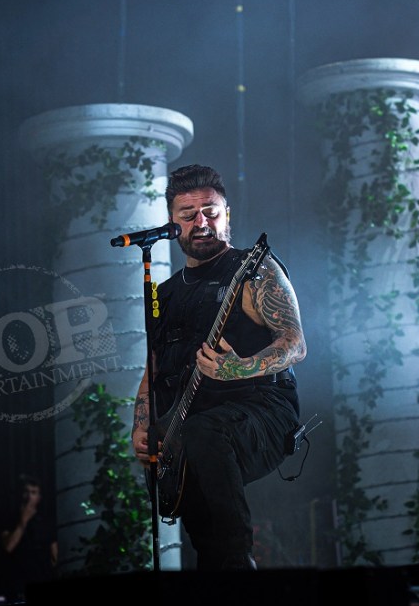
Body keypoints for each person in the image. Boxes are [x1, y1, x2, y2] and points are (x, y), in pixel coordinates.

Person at [131, 163, 307, 570]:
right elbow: (152, 369)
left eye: (210, 212)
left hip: (261, 412)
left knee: (203, 431)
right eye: (188, 214)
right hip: (191, 426)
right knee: (203, 538)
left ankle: (241, 566)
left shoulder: (254, 270)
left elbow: (295, 343)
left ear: (226, 214)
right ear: (172, 223)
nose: (201, 222)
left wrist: (238, 368)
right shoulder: (165, 295)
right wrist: (141, 426)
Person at [0, 473, 58, 601]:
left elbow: (55, 555)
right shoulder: (10, 519)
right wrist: (23, 522)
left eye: (34, 492)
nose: (30, 496)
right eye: (26, 492)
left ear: (39, 497)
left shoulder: (46, 521)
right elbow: (8, 547)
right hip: (18, 586)